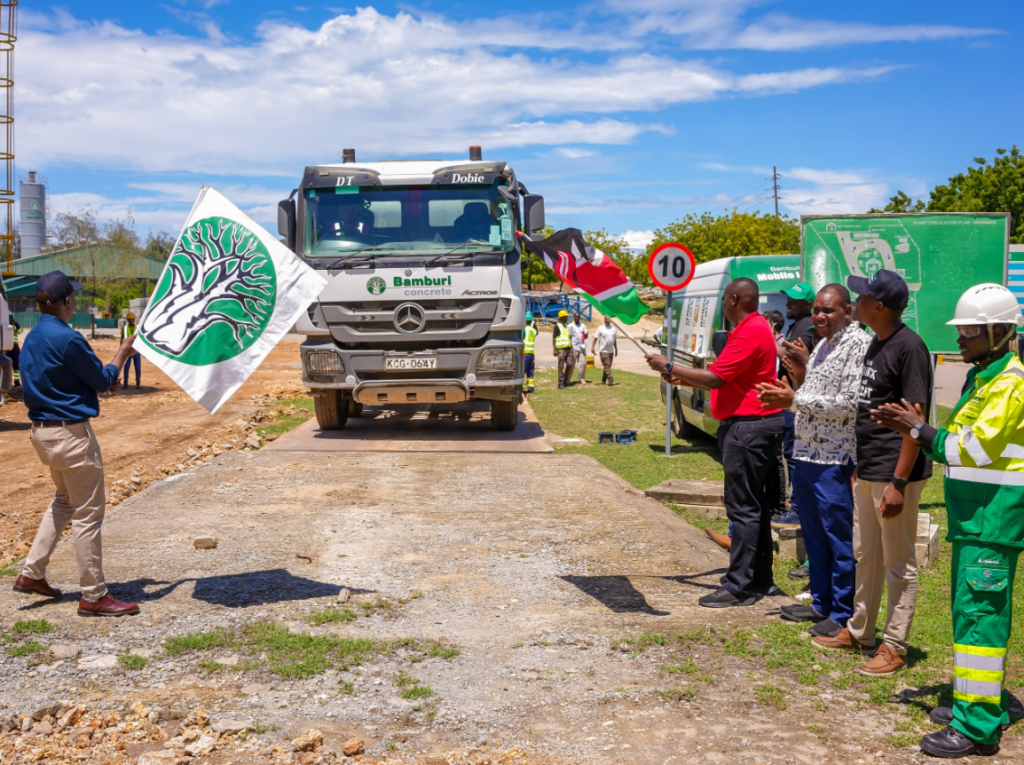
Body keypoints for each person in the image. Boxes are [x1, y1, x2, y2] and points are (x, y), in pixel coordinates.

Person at [871, 283, 1024, 758]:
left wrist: (916, 430)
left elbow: (969, 448)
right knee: (972, 615)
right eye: (960, 330)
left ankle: (977, 728)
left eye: (970, 331)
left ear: (1001, 331)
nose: (960, 339)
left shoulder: (1009, 383)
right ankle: (982, 702)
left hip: (992, 522)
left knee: (979, 621)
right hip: (976, 518)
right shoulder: (986, 376)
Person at [813, 269, 932, 678]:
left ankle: (894, 645)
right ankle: (861, 631)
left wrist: (898, 482)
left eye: (862, 298)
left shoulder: (909, 348)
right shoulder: (876, 344)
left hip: (896, 473)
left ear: (879, 306)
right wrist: (862, 468)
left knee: (899, 562)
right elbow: (869, 411)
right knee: (867, 554)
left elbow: (916, 421)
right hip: (869, 469)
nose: (856, 303)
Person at [647, 278, 784, 607]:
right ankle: (759, 578)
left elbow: (714, 378)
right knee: (756, 508)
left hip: (748, 428)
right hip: (752, 425)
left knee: (744, 509)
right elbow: (728, 378)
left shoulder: (750, 330)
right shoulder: (754, 328)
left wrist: (667, 364)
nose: (723, 304)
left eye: (724, 298)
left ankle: (740, 585)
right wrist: (680, 376)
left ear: (735, 298)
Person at [12, 271, 141, 617]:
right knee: (87, 512)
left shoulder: (32, 338)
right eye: (74, 299)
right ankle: (94, 595)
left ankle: (31, 573)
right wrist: (122, 354)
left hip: (42, 432)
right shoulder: (68, 339)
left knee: (64, 501)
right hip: (71, 435)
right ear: (67, 302)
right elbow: (102, 380)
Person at [756, 285, 870, 639]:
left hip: (834, 458)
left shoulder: (858, 346)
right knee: (816, 534)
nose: (819, 316)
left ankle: (842, 611)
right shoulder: (823, 344)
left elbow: (851, 403)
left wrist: (794, 398)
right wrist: (798, 379)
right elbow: (812, 393)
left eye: (828, 310)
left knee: (838, 536)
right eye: (817, 310)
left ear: (848, 311)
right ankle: (820, 601)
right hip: (807, 453)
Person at [773, 283, 819, 527]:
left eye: (794, 299)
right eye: (787, 297)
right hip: (791, 399)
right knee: (790, 453)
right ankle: (795, 506)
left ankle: (798, 510)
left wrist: (768, 341)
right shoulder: (797, 324)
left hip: (799, 400)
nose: (788, 302)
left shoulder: (805, 327)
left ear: (808, 305)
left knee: (794, 455)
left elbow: (791, 355)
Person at [591, 315, 618, 385]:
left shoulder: (613, 329)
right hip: (603, 351)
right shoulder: (601, 328)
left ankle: (603, 379)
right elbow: (595, 338)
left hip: (611, 351)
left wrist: (616, 349)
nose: (607, 320)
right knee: (607, 365)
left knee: (607, 366)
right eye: (606, 319)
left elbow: (614, 340)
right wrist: (593, 347)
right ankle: (610, 379)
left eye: (608, 319)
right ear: (604, 320)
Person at [552, 309, 573, 389]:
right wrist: (554, 349)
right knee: (561, 366)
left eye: (566, 316)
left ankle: (564, 380)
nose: (566, 318)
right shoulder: (557, 326)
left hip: (568, 348)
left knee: (570, 364)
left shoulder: (566, 326)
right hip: (561, 349)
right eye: (565, 317)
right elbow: (554, 338)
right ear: (561, 317)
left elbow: (568, 337)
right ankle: (561, 383)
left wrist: (571, 347)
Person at [121, 312, 141, 388]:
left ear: (134, 319)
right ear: (127, 320)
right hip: (127, 351)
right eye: (129, 320)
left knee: (137, 368)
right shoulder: (125, 328)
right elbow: (122, 338)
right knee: (126, 368)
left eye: (132, 319)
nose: (131, 321)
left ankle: (138, 384)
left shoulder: (138, 328)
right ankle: (125, 383)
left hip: (136, 351)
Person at [569, 313, 588, 384]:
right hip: (573, 347)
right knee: (571, 364)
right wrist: (570, 347)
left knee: (583, 363)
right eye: (576, 316)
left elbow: (586, 336)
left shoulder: (583, 326)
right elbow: (569, 337)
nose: (577, 318)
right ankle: (568, 379)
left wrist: (586, 335)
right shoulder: (570, 326)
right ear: (574, 317)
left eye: (578, 317)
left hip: (582, 347)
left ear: (580, 317)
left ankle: (581, 378)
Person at [522, 311, 537, 396]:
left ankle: (520, 387)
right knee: (530, 372)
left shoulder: (523, 329)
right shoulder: (533, 331)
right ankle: (531, 388)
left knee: (522, 372)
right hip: (531, 354)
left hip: (525, 354)